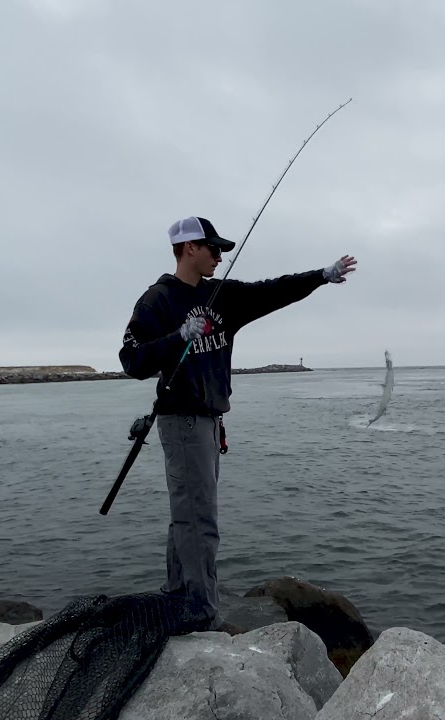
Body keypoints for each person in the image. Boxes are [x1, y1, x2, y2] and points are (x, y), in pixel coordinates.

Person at [118, 215, 357, 633]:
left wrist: (321, 276)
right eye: (213, 248)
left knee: (186, 516)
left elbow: (273, 291)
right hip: (182, 423)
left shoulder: (221, 296)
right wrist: (179, 336)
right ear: (189, 248)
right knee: (200, 520)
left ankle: (179, 593)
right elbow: (131, 360)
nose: (219, 256)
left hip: (210, 424)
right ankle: (200, 610)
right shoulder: (157, 300)